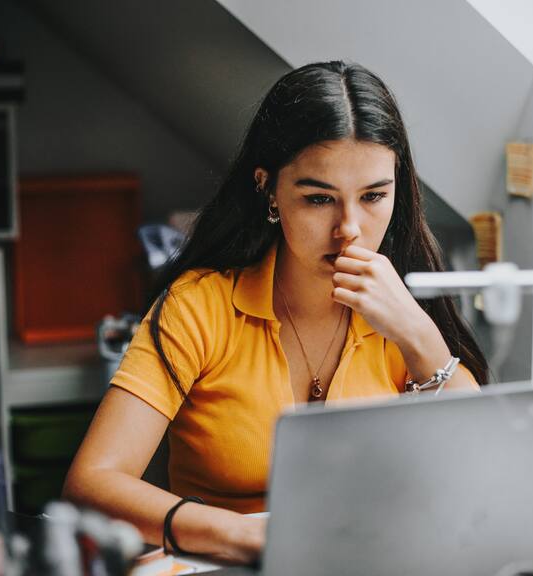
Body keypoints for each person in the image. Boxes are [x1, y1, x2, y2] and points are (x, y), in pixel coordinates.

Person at [62, 61, 488, 566]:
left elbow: (481, 476)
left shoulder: (401, 315)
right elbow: (91, 482)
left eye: (374, 196)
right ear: (268, 189)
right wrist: (244, 538)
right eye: (318, 199)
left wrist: (420, 337)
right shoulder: (200, 305)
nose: (349, 228)